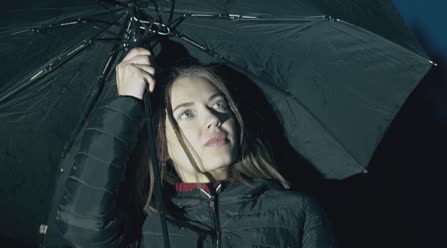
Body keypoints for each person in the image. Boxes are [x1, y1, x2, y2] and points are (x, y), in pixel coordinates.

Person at [56, 48, 337, 247]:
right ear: (162, 147)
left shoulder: (297, 212)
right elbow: (82, 228)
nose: (214, 120)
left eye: (218, 104)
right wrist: (128, 100)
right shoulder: (146, 227)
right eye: (186, 114)